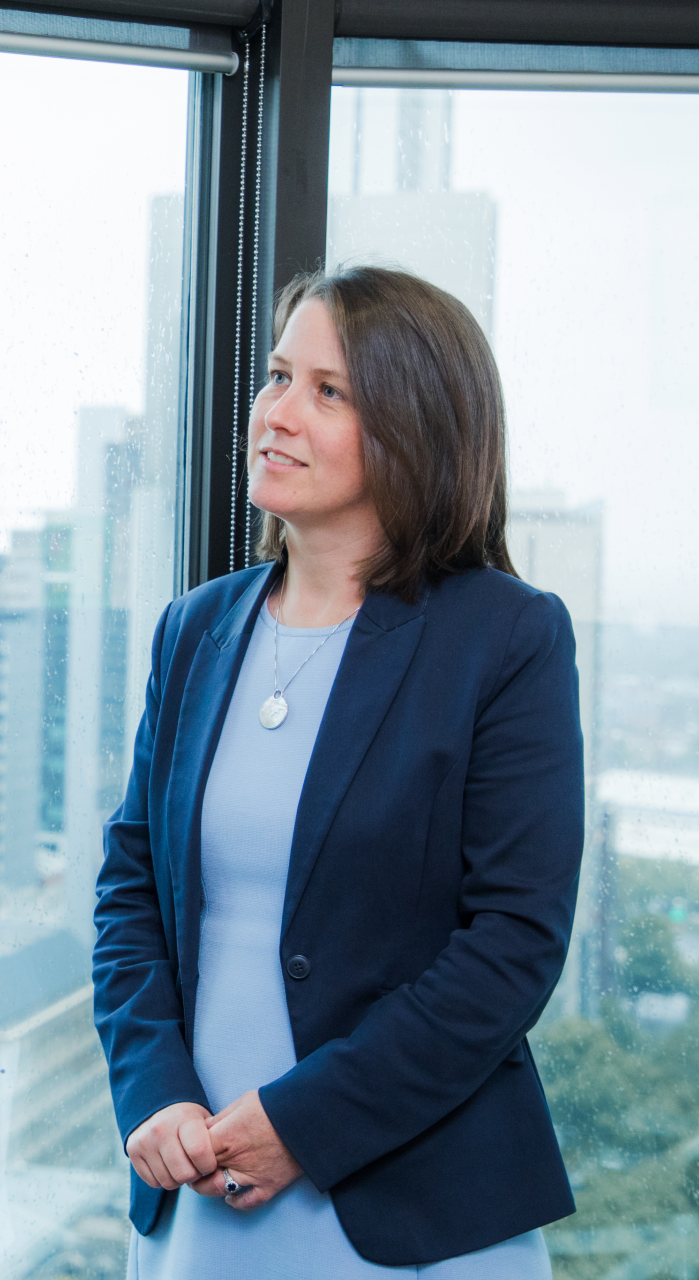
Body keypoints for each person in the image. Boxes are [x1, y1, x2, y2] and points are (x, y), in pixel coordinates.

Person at [93, 266, 582, 1276]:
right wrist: (154, 1092)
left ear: (412, 427)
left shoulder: (506, 637)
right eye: (278, 376)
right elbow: (129, 889)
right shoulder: (195, 628)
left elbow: (512, 943)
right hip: (201, 1198)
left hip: (414, 1216)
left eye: (328, 391)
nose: (276, 412)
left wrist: (304, 1123)